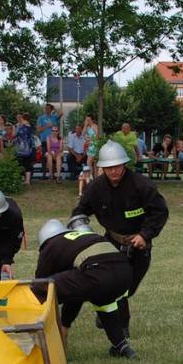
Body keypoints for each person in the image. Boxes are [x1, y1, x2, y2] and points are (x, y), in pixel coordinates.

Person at [71, 141, 169, 338]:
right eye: (109, 168)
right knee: (118, 284)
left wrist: (144, 235)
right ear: (102, 168)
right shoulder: (95, 188)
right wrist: (84, 235)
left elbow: (159, 211)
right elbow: (79, 213)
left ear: (124, 165)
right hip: (112, 243)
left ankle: (107, 308)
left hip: (139, 245)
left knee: (129, 288)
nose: (113, 171)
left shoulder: (142, 185)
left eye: (117, 166)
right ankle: (121, 326)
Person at [33, 219, 137, 359]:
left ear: (46, 241)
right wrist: (66, 323)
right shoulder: (80, 239)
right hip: (125, 273)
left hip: (97, 273)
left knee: (41, 290)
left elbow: (41, 283)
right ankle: (121, 346)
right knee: (104, 302)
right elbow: (75, 292)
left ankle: (48, 346)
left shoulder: (50, 247)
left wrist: (63, 326)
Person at [13, 112, 37, 186]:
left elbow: (14, 135)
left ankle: (19, 179)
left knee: (19, 164)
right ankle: (27, 180)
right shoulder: (31, 127)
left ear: (23, 119)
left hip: (20, 149)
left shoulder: (21, 127)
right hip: (28, 149)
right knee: (27, 165)